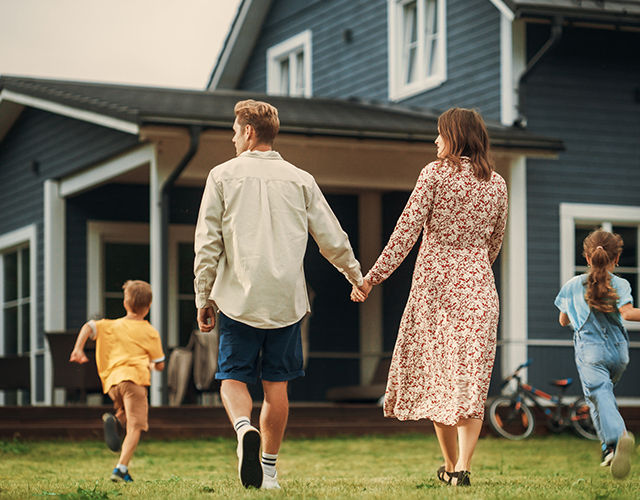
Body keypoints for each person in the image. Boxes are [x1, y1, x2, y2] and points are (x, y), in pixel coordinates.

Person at [194, 99, 365, 490]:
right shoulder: (301, 179)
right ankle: (268, 472)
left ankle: (242, 430)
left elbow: (207, 244)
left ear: (249, 132)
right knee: (277, 386)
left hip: (239, 299)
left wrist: (203, 297)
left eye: (236, 131)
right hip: (287, 302)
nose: (233, 138)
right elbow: (331, 237)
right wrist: (355, 276)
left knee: (232, 378)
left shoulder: (221, 176)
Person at [351, 108, 508, 486]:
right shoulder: (497, 183)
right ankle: (464, 467)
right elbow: (495, 241)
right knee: (471, 382)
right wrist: (471, 267)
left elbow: (404, 233)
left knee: (439, 380)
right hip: (479, 291)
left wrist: (372, 278)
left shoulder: (434, 175)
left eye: (440, 134)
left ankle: (451, 466)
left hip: (435, 293)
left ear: (453, 136)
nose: (435, 141)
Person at [555, 229, 640, 479]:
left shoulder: (573, 285)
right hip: (619, 354)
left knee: (598, 394)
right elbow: (628, 314)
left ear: (587, 257)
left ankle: (618, 438)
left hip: (590, 352)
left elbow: (563, 321)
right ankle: (608, 450)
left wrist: (574, 310)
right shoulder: (621, 284)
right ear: (616, 259)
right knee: (599, 396)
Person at [70, 280, 165, 483]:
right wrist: (152, 363)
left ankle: (115, 420)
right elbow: (160, 364)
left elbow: (89, 326)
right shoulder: (150, 332)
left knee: (125, 414)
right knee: (136, 426)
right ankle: (121, 469)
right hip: (134, 381)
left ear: (125, 304)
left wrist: (78, 349)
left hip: (113, 383)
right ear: (148, 307)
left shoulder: (110, 325)